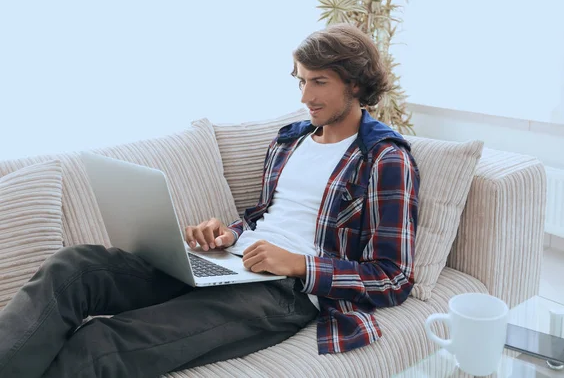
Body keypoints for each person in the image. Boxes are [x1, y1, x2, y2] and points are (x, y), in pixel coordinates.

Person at [0, 23, 420, 378]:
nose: (305, 96)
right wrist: (225, 234)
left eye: (319, 82)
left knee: (99, 343)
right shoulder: (290, 140)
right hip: (230, 263)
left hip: (284, 293)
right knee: (73, 268)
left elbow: (394, 277)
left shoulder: (385, 158)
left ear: (356, 83)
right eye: (301, 80)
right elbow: (267, 217)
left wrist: (297, 264)